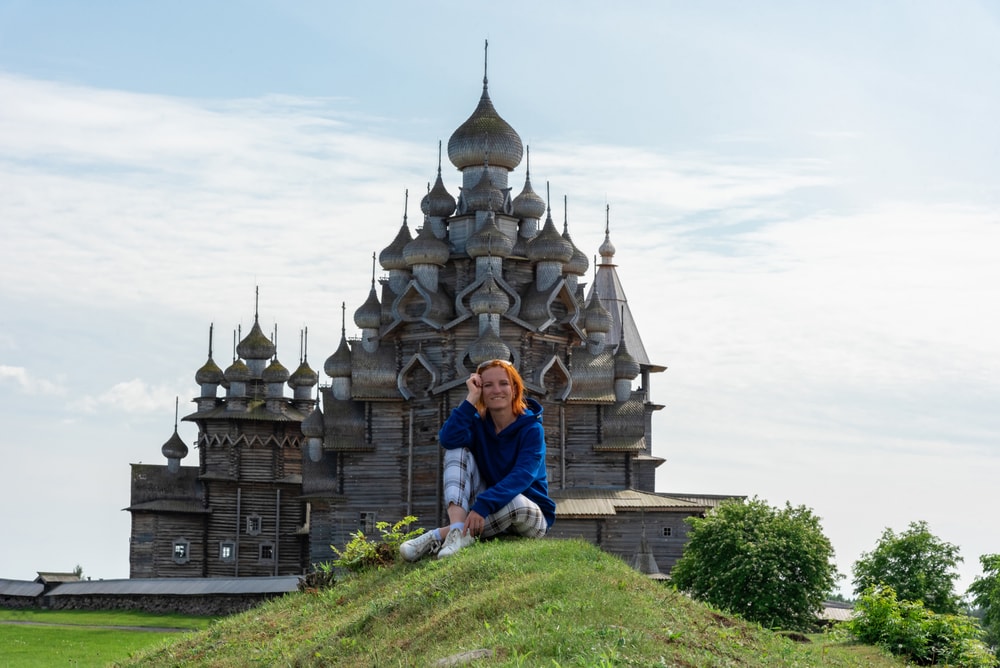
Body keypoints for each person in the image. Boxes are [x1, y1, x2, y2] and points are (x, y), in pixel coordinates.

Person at [400, 359, 556, 561]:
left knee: (516, 502)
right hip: (490, 511)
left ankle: (438, 536)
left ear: (515, 389)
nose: (496, 390)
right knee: (456, 451)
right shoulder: (478, 424)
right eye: (488, 385)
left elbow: (522, 476)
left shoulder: (532, 429)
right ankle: (457, 528)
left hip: (529, 514)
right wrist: (471, 399)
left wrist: (483, 505)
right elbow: (448, 439)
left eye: (503, 383)